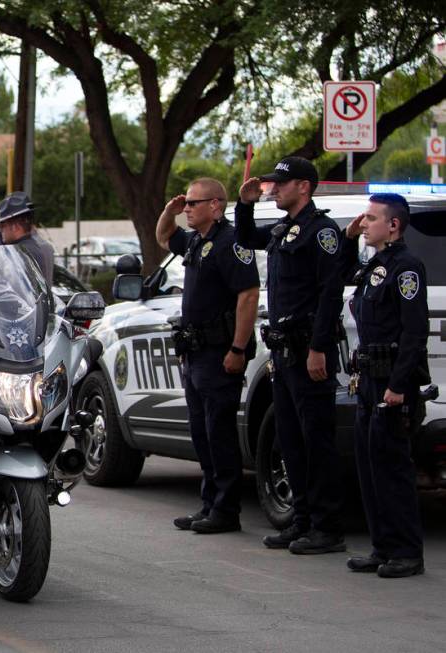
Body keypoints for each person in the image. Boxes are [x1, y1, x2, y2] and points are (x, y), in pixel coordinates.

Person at [236, 156, 346, 554]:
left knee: (316, 440)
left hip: (308, 350)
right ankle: (301, 521)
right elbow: (245, 238)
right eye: (273, 184)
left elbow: (330, 294)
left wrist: (318, 347)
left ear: (304, 187)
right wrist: (245, 203)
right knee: (289, 439)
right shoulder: (284, 230)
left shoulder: (322, 233)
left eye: (281, 184)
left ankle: (327, 526)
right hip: (283, 352)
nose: (275, 189)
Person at [156, 178, 259, 534]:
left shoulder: (231, 243)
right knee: (201, 432)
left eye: (193, 204)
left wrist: (238, 349)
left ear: (215, 205)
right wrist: (169, 211)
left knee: (219, 432)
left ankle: (226, 509)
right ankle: (209, 504)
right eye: (186, 204)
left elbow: (248, 295)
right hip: (196, 351)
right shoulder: (198, 240)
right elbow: (163, 237)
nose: (188, 209)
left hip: (220, 352)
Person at [338, 193, 427, 578]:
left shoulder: (406, 268)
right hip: (369, 380)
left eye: (372, 218)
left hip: (391, 383)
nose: (365, 222)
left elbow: (414, 332)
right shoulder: (376, 265)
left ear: (393, 225)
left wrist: (399, 385)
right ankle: (382, 547)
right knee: (369, 467)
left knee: (392, 470)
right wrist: (348, 237)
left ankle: (406, 551)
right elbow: (340, 275)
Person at [0, 192, 55, 287]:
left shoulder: (17, 253)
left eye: (2, 225)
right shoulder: (43, 247)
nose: (0, 230)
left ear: (16, 227)